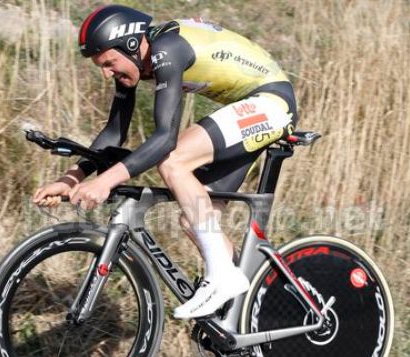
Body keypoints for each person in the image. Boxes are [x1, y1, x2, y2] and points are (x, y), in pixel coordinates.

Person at [33, 5, 297, 319]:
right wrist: (71, 179)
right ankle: (260, 308)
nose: (106, 73)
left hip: (271, 102)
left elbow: (164, 139)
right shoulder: (134, 65)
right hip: (249, 107)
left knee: (172, 161)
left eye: (108, 63)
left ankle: (224, 277)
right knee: (195, 221)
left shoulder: (166, 48)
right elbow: (114, 133)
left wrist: (105, 182)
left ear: (131, 45)